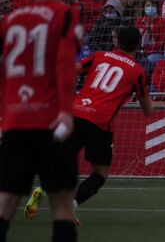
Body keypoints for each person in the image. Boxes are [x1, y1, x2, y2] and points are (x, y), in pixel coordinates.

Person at [24, 26, 154, 225]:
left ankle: (42, 188)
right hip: (100, 123)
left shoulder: (99, 56)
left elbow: (73, 69)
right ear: (139, 45)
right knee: (99, 173)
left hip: (75, 112)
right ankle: (71, 206)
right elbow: (148, 110)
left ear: (117, 42)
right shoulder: (137, 71)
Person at [0, 0, 82, 241]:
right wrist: (65, 111)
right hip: (50, 122)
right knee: (61, 207)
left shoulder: (9, 20)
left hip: (14, 122)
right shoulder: (66, 15)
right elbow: (65, 64)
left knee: (5, 204)